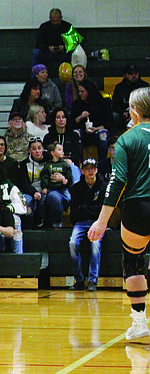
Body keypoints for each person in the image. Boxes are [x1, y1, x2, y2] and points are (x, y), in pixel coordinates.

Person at [89, 87, 150, 340]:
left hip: (137, 207)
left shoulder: (127, 139)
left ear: (134, 111)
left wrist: (101, 223)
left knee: (133, 261)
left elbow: (117, 182)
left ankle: (139, 322)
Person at [69, 159, 106, 292]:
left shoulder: (103, 186)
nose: (90, 171)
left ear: (96, 170)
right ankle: (79, 280)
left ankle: (92, 281)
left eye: (93, 168)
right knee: (73, 243)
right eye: (87, 168)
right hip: (81, 222)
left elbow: (102, 209)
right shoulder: (76, 188)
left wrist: (84, 208)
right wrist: (91, 209)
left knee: (95, 245)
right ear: (82, 171)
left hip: (98, 222)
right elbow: (74, 212)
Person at [70, 79, 114, 162]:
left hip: (98, 130)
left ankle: (103, 163)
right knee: (76, 134)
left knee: (103, 135)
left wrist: (97, 128)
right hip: (83, 131)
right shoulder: (76, 104)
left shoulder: (102, 103)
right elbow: (71, 123)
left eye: (82, 92)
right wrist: (80, 117)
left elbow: (110, 122)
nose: (80, 94)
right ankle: (79, 162)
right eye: (79, 91)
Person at [11, 138, 47, 228]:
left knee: (48, 197)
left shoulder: (49, 161)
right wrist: (34, 192)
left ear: (43, 149)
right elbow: (23, 183)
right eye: (34, 149)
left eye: (39, 148)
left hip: (45, 189)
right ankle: (28, 227)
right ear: (30, 150)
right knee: (26, 201)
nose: (37, 151)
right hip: (30, 191)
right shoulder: (24, 164)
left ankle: (43, 222)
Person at [43, 107, 83, 182]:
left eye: (63, 117)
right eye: (58, 117)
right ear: (54, 120)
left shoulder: (74, 135)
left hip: (70, 165)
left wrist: (68, 160)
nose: (61, 120)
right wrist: (61, 160)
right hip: (53, 166)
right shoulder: (48, 137)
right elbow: (45, 155)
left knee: (73, 168)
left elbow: (78, 154)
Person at [41, 143, 72, 228]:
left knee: (69, 198)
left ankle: (64, 209)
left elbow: (69, 173)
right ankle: (47, 219)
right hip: (52, 189)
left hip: (63, 188)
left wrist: (65, 179)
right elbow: (44, 176)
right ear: (52, 153)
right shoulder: (48, 165)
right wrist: (44, 187)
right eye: (59, 150)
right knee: (45, 199)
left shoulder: (64, 164)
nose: (62, 152)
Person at [112, 63, 149, 130]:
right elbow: (115, 104)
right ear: (125, 75)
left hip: (141, 114)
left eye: (136, 73)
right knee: (115, 116)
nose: (134, 76)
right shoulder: (119, 87)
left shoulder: (144, 86)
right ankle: (116, 135)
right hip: (123, 114)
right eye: (130, 74)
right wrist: (123, 113)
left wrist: (136, 113)